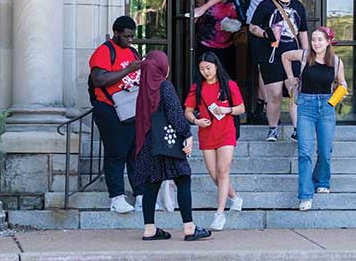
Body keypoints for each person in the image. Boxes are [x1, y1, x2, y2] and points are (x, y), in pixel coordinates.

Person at [194, 0, 284, 125]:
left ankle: (262, 105)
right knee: (262, 67)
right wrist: (203, 8)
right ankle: (262, 107)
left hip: (277, 26)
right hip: (256, 26)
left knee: (272, 69)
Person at [132, 50, 212, 241]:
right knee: (183, 179)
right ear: (162, 67)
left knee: (151, 185)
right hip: (167, 142)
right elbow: (175, 113)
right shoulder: (164, 86)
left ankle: (149, 229)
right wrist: (187, 134)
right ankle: (189, 227)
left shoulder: (143, 88)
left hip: (148, 143)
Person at [282, 27, 346, 211]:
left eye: (320, 40)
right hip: (306, 107)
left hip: (326, 107)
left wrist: (337, 97)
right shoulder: (304, 56)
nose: (316, 43)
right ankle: (305, 195)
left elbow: (342, 84)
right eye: (313, 40)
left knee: (325, 151)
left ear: (328, 42)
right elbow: (285, 56)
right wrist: (291, 78)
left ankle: (322, 181)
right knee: (304, 152)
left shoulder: (335, 61)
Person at [88, 16, 144, 214]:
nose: (130, 40)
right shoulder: (105, 51)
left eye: (132, 37)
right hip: (109, 108)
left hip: (131, 108)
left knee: (135, 153)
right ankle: (117, 197)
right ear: (117, 33)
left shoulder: (133, 51)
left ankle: (140, 196)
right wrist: (128, 69)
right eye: (127, 36)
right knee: (116, 153)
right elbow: (99, 79)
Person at [184, 52, 245, 231]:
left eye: (208, 68)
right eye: (202, 69)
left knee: (223, 171)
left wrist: (225, 110)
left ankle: (220, 213)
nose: (205, 72)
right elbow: (187, 110)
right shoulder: (197, 87)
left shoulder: (229, 84)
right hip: (206, 132)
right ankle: (235, 197)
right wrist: (196, 121)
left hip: (226, 132)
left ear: (216, 66)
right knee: (213, 174)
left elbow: (241, 108)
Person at [249, 0, 309, 142]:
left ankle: (297, 129)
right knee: (274, 95)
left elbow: (303, 32)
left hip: (292, 54)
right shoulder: (266, 5)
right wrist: (265, 34)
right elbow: (252, 27)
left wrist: (307, 54)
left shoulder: (298, 6)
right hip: (272, 55)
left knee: (294, 91)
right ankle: (273, 129)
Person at [195, 0, 240, 77]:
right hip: (206, 45)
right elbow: (198, 8)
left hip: (227, 47)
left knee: (225, 78)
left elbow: (242, 16)